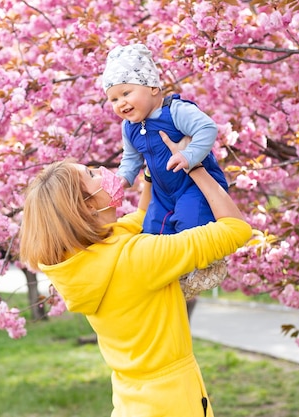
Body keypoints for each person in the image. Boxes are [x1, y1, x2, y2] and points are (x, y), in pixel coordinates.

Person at [19, 132, 252, 417]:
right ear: (89, 205)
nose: (104, 173)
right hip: (173, 402)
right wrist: (196, 167)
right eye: (92, 174)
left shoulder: (82, 261)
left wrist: (153, 172)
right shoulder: (137, 258)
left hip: (132, 401)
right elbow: (236, 229)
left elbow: (142, 217)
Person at [102, 43, 230, 300]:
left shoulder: (176, 112)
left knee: (189, 222)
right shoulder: (129, 128)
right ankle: (173, 279)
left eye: (126, 92)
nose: (121, 103)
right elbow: (131, 160)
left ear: (152, 87)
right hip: (162, 191)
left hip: (193, 186)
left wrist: (188, 155)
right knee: (152, 232)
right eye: (113, 99)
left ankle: (207, 268)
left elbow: (207, 128)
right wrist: (120, 181)